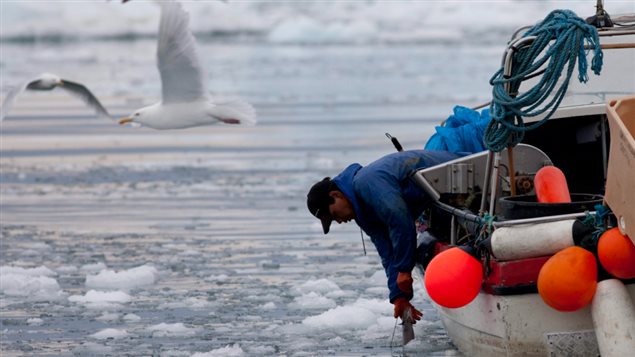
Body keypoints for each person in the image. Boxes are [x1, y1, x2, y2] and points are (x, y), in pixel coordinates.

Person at [306, 149, 463, 323]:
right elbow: (387, 251)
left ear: (336, 195)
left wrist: (404, 269)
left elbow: (401, 221)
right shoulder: (363, 212)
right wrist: (399, 296)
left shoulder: (367, 182)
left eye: (334, 215)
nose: (339, 221)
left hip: (463, 176)